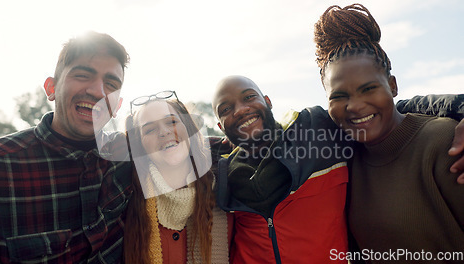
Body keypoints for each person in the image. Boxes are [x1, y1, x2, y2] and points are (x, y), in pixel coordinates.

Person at [211, 74, 464, 263]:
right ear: (221, 126)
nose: (241, 109)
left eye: (248, 97)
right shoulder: (219, 174)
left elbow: (386, 109)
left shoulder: (315, 129)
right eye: (226, 109)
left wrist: (460, 107)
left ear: (267, 101)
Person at [0, 31, 132, 263]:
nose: (98, 92)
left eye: (111, 84)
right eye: (83, 75)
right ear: (51, 88)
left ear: (117, 105)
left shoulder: (129, 154)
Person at [314, 4, 463, 262]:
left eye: (369, 89)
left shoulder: (445, 142)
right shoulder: (344, 159)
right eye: (339, 96)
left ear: (393, 86)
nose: (355, 106)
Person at [121, 91, 232, 264]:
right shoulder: (124, 205)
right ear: (139, 145)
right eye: (149, 129)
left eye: (171, 121)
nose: (164, 132)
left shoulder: (227, 194)